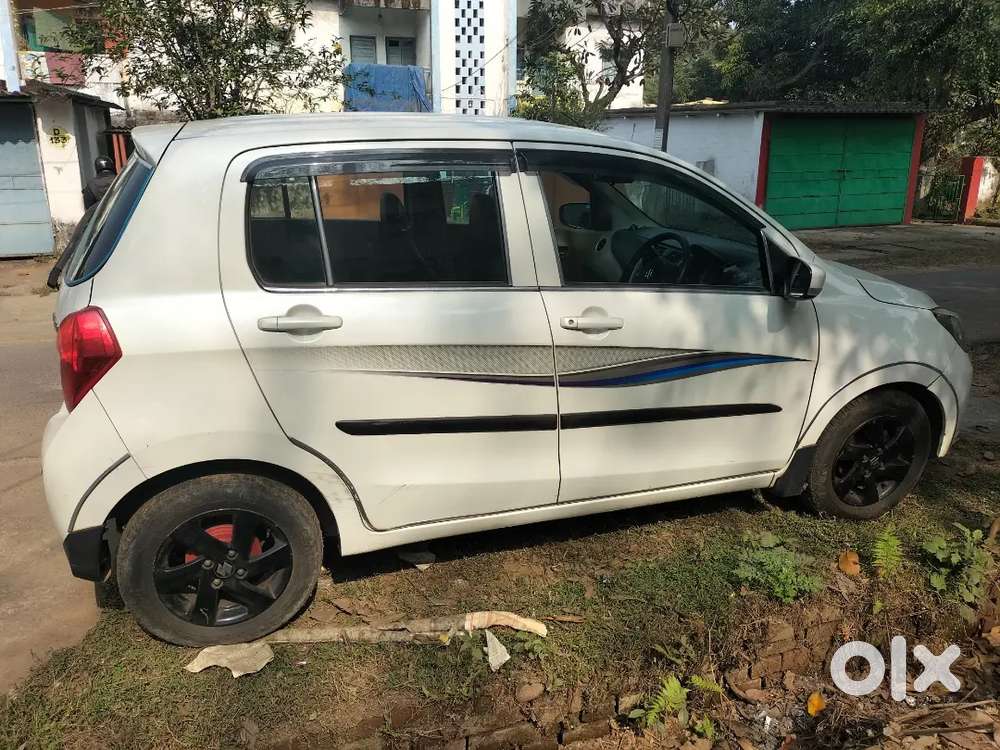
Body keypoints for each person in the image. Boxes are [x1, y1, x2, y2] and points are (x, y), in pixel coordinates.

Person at [47, 156, 117, 288]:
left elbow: (87, 205)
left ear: (97, 168)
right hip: (119, 212)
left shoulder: (91, 184)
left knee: (76, 241)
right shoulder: (120, 180)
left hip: (95, 214)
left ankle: (55, 274)